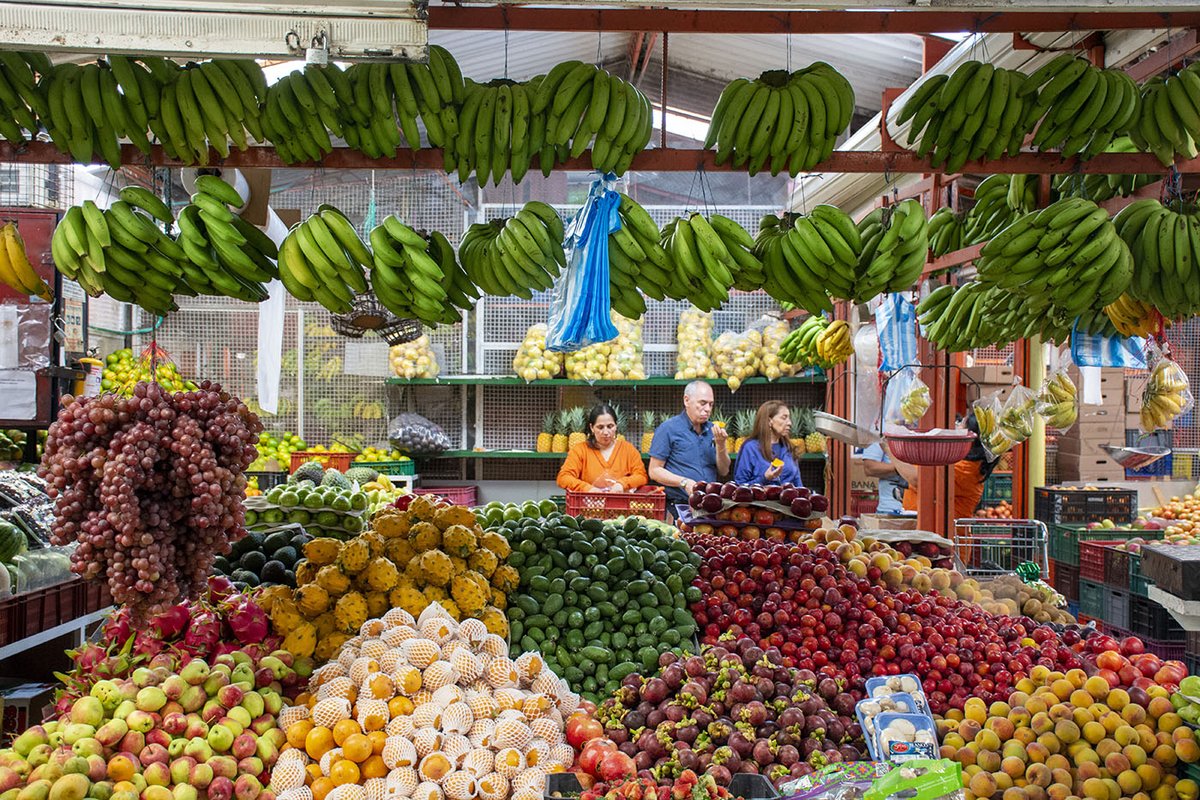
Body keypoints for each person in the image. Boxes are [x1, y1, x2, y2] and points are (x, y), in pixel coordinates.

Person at [894, 411, 995, 520]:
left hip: (943, 531)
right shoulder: (962, 462)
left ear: (971, 435)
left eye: (961, 424)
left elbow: (917, 479)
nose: (957, 427)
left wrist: (889, 448)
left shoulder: (966, 468)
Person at [648, 381, 730, 507]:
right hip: (679, 504)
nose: (707, 409)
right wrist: (684, 482)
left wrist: (721, 445)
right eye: (702, 403)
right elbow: (654, 471)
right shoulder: (668, 429)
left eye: (711, 404)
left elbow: (724, 471)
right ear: (686, 400)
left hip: (709, 505)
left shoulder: (713, 430)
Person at [557, 403, 648, 492]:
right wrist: (587, 488)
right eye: (600, 427)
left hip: (621, 504)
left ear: (616, 426)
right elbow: (563, 477)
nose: (606, 432)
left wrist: (622, 484)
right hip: (588, 504)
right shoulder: (580, 450)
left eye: (610, 426)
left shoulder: (628, 449)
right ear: (592, 428)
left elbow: (641, 476)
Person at [733, 401, 803, 486]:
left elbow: (798, 484)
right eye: (784, 418)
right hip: (760, 499)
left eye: (789, 418)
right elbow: (740, 486)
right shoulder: (750, 448)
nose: (789, 423)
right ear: (769, 421)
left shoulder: (788, 447)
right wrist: (765, 478)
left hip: (788, 498)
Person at [861, 442, 908, 514]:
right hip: (890, 510)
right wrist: (904, 468)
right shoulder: (881, 432)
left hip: (923, 508)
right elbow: (869, 468)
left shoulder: (927, 432)